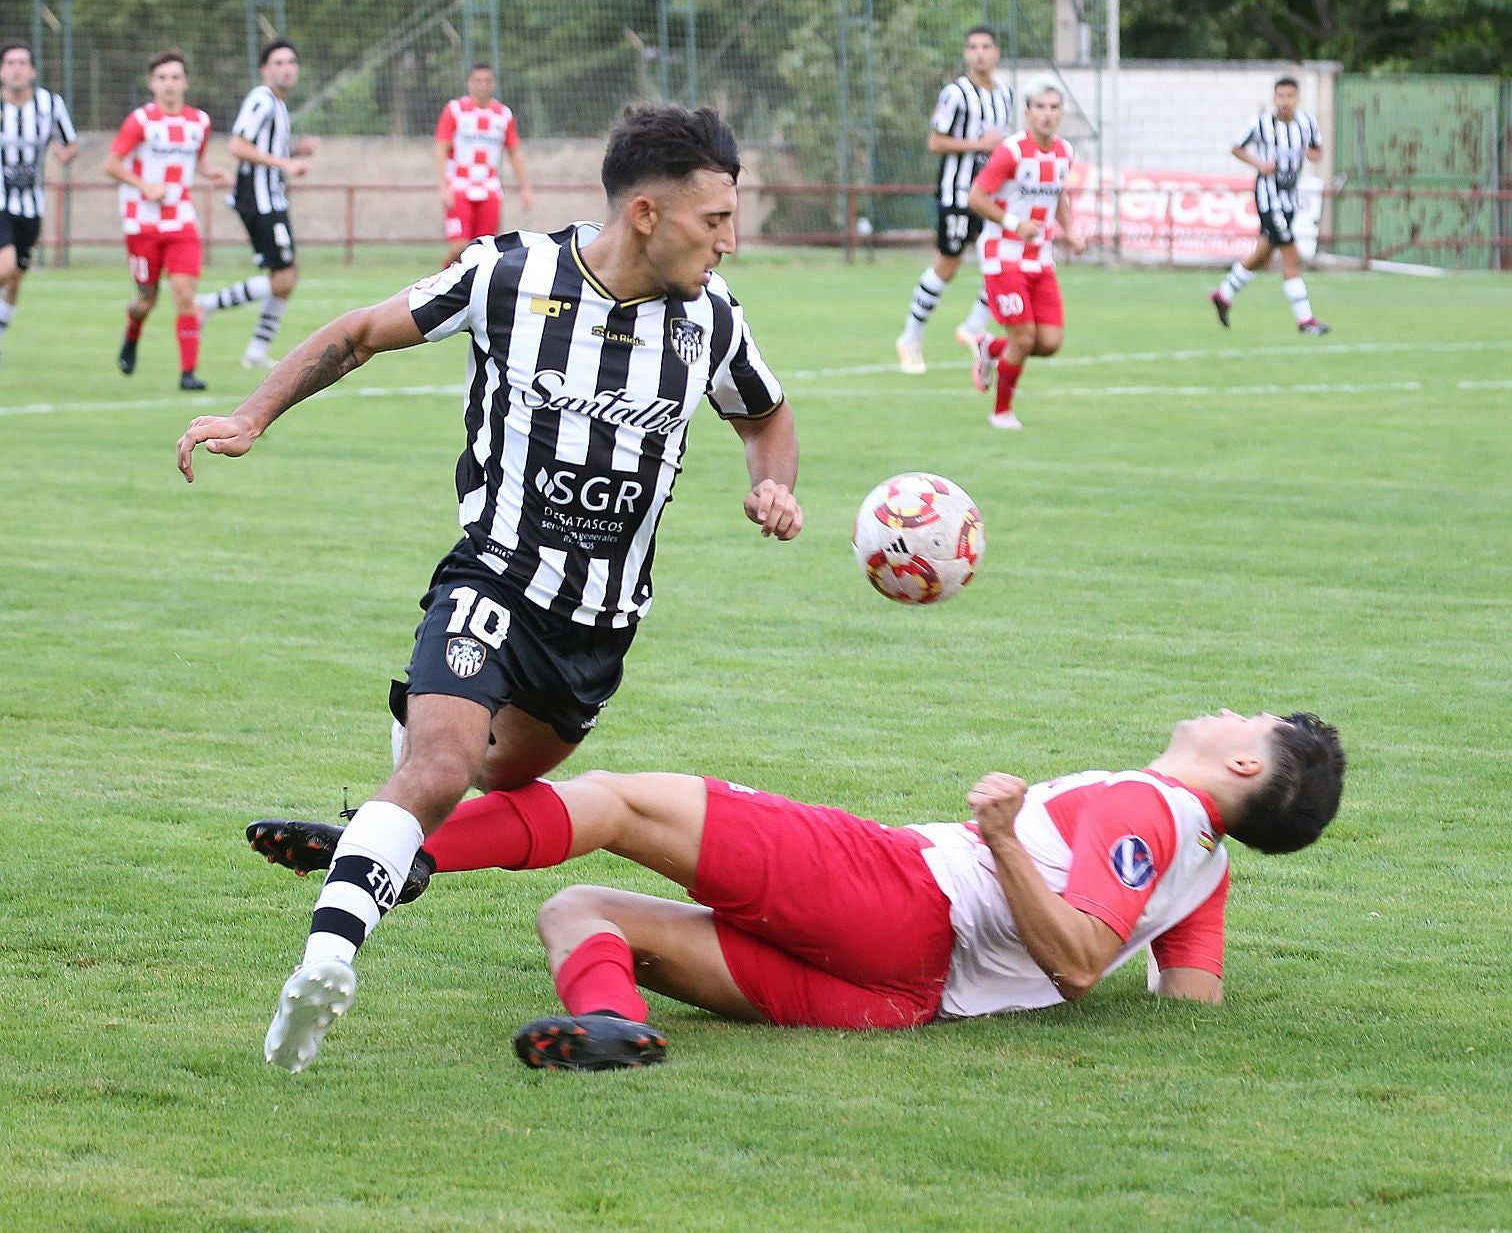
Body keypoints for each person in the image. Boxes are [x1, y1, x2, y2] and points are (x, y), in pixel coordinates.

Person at [175, 102, 804, 1074]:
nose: (729, 239)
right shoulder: (511, 272)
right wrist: (253, 415)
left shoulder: (711, 322)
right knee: (438, 766)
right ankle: (326, 962)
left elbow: (765, 416)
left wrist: (774, 483)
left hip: (597, 628)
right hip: (494, 577)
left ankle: (395, 831)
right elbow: (361, 331)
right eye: (713, 219)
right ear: (647, 212)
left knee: (492, 780)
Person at [247, 709, 1345, 1072]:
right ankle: (615, 1028)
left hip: (903, 894)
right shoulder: (1204, 868)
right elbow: (1184, 1008)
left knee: (622, 801)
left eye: (1244, 720)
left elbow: (1075, 960)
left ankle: (390, 852)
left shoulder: (1150, 808)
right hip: (904, 998)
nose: (1219, 711)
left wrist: (1007, 839)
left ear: (1245, 769)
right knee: (576, 914)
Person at [103, 49, 233, 391]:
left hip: (180, 221)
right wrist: (145, 186)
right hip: (141, 223)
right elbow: (112, 165)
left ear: (186, 82)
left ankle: (188, 373)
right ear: (152, 83)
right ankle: (132, 335)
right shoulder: (140, 121)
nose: (169, 84)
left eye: (175, 77)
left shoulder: (199, 122)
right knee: (146, 299)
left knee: (184, 294)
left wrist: (211, 173)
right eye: (162, 78)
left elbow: (197, 162)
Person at [966, 80, 1084, 431]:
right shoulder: (1011, 151)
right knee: (1024, 338)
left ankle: (990, 348)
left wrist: (1071, 229)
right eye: (1040, 107)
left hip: (1041, 258)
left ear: (1062, 113)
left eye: (1054, 107)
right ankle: (1001, 412)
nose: (1047, 114)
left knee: (1049, 342)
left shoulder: (1064, 151)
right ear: (1027, 112)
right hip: (1003, 256)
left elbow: (1058, 195)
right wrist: (1014, 222)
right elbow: (977, 196)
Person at [895, 26, 1013, 375]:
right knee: (948, 264)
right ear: (966, 53)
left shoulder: (1004, 93)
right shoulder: (956, 93)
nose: (979, 53)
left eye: (986, 47)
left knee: (1002, 259)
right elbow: (936, 142)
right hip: (958, 193)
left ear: (997, 52)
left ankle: (973, 328)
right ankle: (909, 338)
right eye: (973, 47)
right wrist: (979, 145)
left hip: (991, 196)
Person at [196, 38, 318, 370]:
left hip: (269, 199)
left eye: (291, 62)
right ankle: (207, 305)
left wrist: (294, 153)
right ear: (265, 69)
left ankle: (256, 351)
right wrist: (285, 165)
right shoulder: (262, 100)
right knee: (284, 278)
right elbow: (237, 145)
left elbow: (262, 151)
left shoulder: (277, 105)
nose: (287, 68)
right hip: (260, 202)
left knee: (286, 277)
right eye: (278, 63)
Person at [1210, 77, 1329, 335]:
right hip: (1268, 197)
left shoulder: (1307, 123)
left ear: (1297, 98)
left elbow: (1318, 149)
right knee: (1290, 254)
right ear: (1275, 98)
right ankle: (1305, 320)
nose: (1285, 102)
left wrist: (1313, 155)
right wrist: (1259, 165)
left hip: (1290, 197)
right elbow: (1236, 148)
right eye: (1281, 96)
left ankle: (1224, 294)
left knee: (1263, 253)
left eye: (1290, 96)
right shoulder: (1261, 123)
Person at [0, 41, 78, 366]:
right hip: (1, 202)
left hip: (32, 206)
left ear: (32, 70)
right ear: (2, 71)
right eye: (10, 63)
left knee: (16, 275)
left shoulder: (50, 104)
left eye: (23, 62)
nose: (17, 68)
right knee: (5, 266)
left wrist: (64, 153)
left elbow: (70, 143)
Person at [435, 63, 533, 266]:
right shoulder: (455, 110)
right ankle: (440, 282)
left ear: (494, 84)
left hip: (489, 187)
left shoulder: (503, 114)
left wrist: (525, 186)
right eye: (477, 81)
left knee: (484, 251)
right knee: (459, 247)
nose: (482, 85)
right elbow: (441, 148)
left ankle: (473, 295)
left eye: (487, 81)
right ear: (469, 83)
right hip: (459, 186)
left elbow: (513, 151)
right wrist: (443, 186)